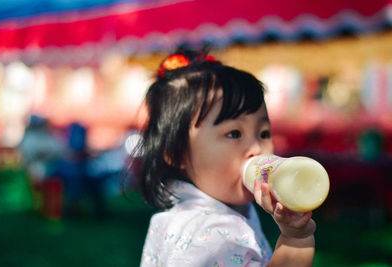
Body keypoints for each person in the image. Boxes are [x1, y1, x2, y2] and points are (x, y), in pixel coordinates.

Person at [131, 49, 316, 266]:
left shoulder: (183, 216)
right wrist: (296, 239)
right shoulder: (214, 237)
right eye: (234, 133)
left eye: (264, 133)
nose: (257, 149)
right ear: (176, 152)